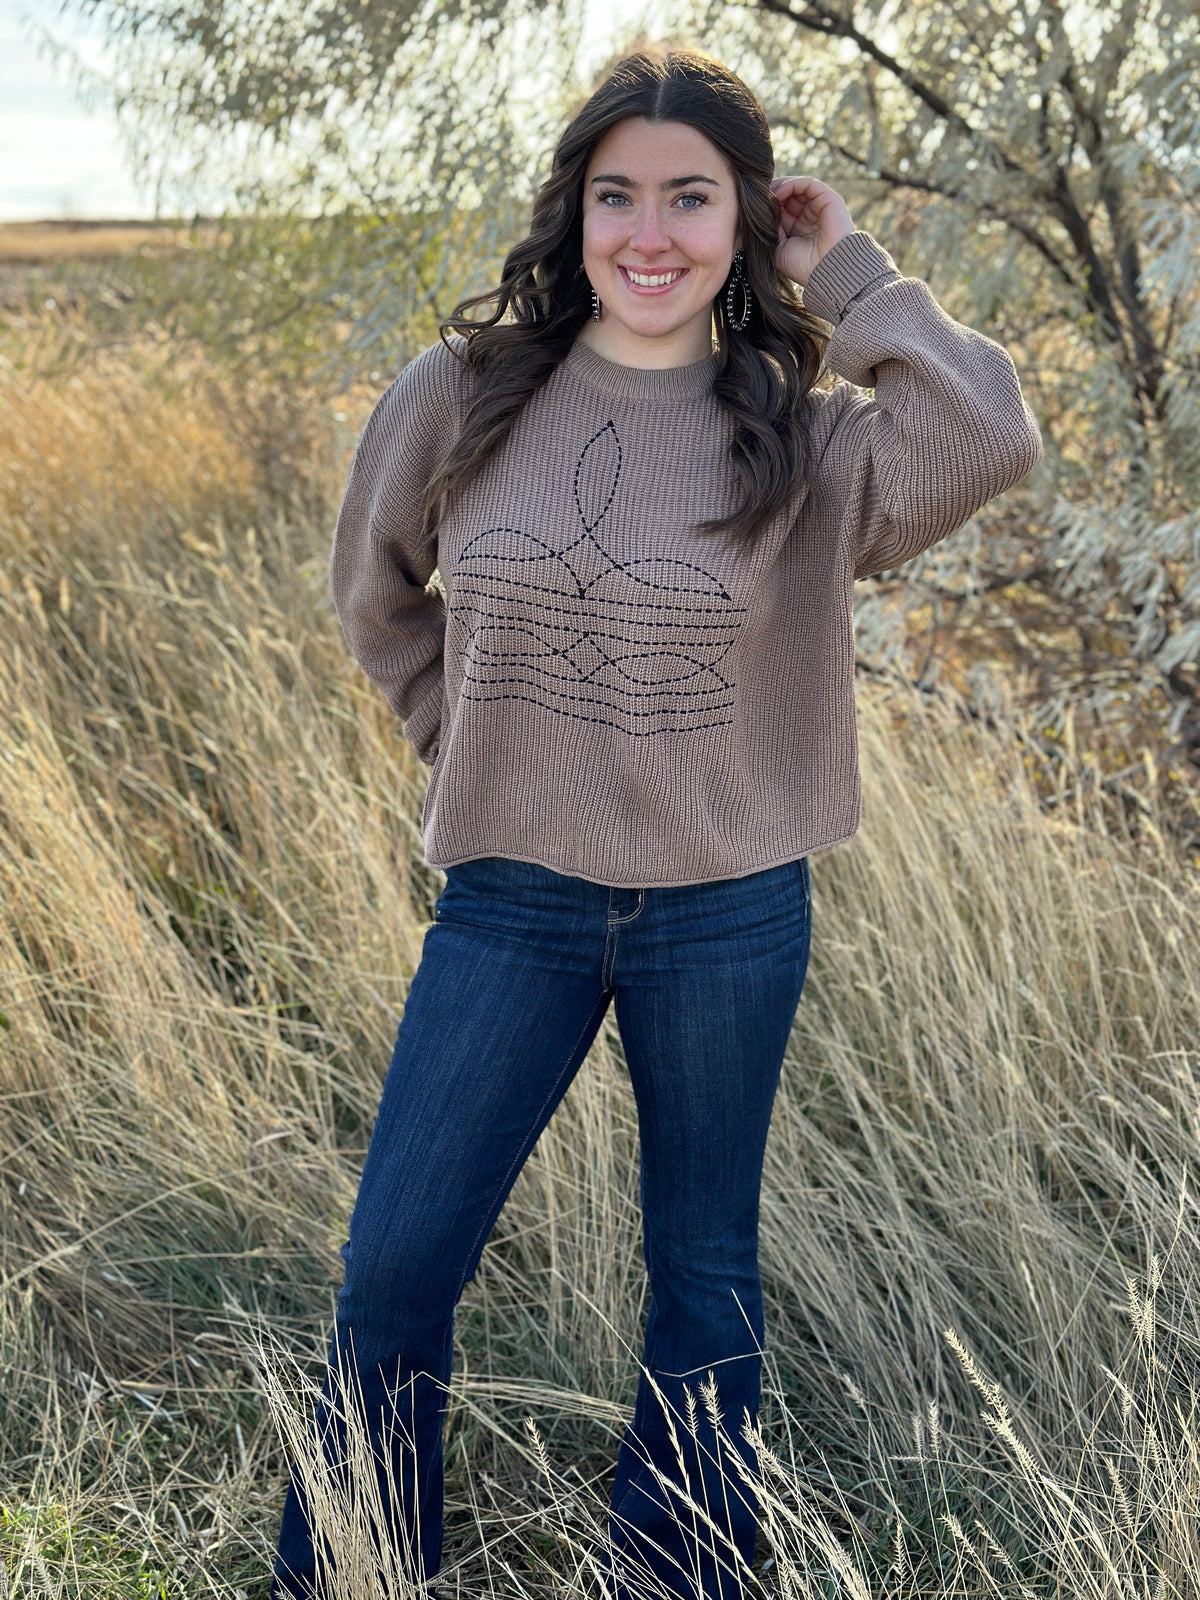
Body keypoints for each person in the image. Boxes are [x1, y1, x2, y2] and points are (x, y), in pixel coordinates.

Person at [272, 46, 1042, 1600]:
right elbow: (376, 597)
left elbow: (986, 435)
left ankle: (677, 1573)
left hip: (727, 908)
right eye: (617, 195)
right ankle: (352, 1572)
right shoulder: (463, 392)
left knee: (701, 1275)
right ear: (575, 213)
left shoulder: (799, 434)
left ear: (745, 220)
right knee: (394, 1268)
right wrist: (472, 748)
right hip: (511, 904)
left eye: (691, 199)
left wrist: (848, 269)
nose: (648, 234)